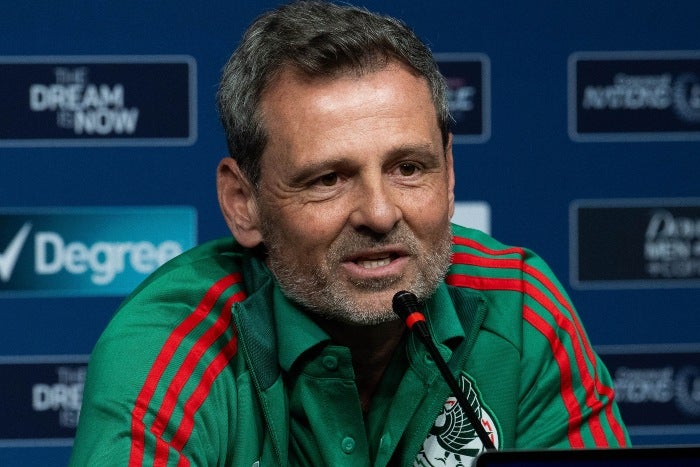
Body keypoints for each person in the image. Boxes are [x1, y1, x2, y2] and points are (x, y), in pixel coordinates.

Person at [70, 1, 629, 465]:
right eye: (328, 179)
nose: (380, 214)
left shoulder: (519, 309)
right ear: (244, 204)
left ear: (450, 173)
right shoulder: (169, 343)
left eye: (408, 168)